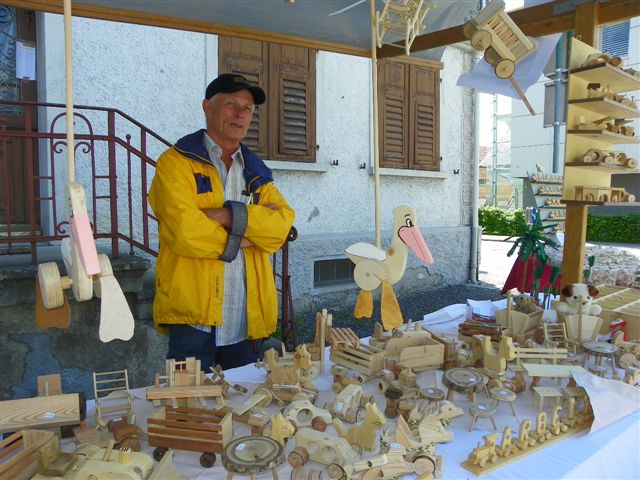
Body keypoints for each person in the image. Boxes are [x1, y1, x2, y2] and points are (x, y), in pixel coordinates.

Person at [149, 73, 295, 371]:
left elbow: (281, 226)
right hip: (192, 318)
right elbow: (185, 231)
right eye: (231, 104)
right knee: (190, 399)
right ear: (207, 107)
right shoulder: (175, 163)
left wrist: (227, 215)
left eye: (247, 108)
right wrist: (249, 236)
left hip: (244, 317)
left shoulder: (255, 171)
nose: (240, 114)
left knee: (244, 396)